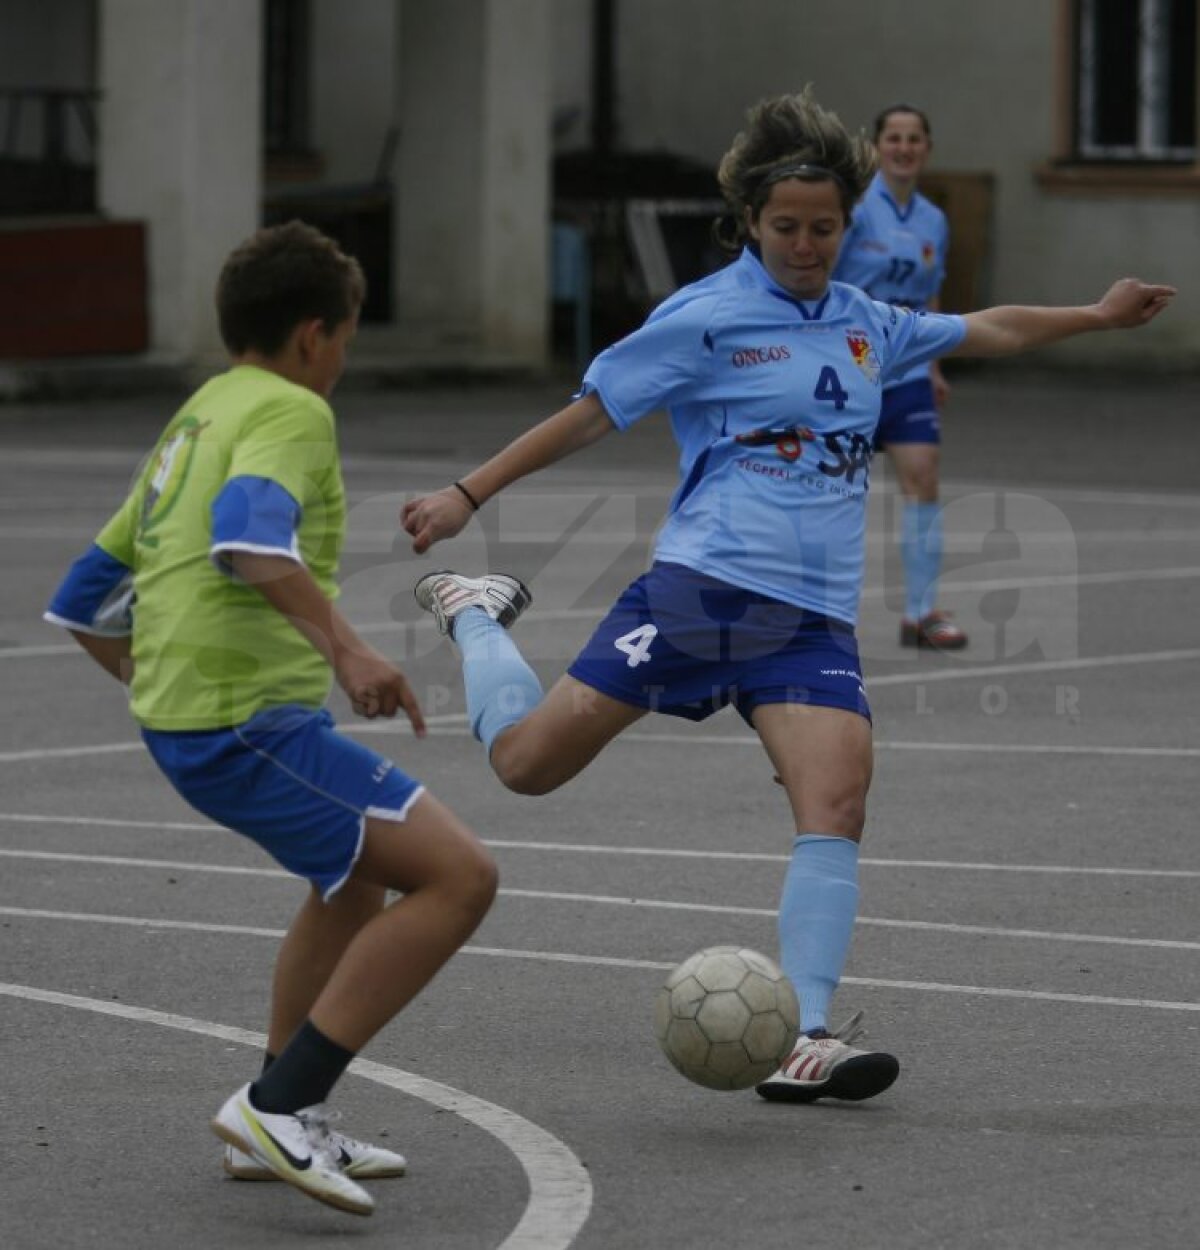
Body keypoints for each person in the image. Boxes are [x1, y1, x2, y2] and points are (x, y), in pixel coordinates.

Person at [400, 87, 1173, 1106]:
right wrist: (466, 493)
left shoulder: (867, 323)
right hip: (699, 593)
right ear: (751, 225)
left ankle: (805, 1030)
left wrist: (1098, 314)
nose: (808, 245)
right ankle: (473, 611)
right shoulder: (707, 318)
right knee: (526, 764)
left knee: (837, 802)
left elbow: (988, 328)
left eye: (824, 228)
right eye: (787, 228)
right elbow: (588, 417)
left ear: (848, 223)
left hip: (809, 621)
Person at [43, 221, 498, 1217]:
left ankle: (283, 1122)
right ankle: (276, 1103)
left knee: (353, 886)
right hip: (242, 719)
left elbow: (83, 597)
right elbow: (250, 541)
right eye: (345, 337)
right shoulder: (293, 411)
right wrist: (351, 649)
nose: (343, 357)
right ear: (310, 336)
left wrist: (159, 683)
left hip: (200, 718)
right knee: (459, 875)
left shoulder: (199, 413)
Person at [833, 103, 963, 648]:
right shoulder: (856, 211)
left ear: (927, 148)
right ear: (877, 147)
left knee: (923, 475)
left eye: (914, 138)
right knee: (831, 489)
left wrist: (933, 365)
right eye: (894, 138)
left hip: (906, 371)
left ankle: (920, 613)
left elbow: (931, 300)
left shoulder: (934, 219)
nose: (904, 147)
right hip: (850, 369)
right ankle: (816, 614)